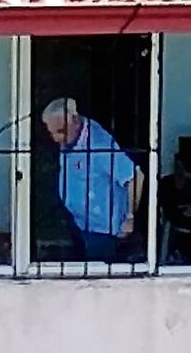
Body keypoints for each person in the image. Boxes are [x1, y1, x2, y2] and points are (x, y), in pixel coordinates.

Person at [41, 97, 144, 261]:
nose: (55, 138)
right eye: (51, 132)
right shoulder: (75, 133)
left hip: (101, 230)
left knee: (97, 278)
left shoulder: (99, 145)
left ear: (75, 120)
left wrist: (129, 217)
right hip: (79, 222)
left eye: (60, 131)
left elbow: (135, 177)